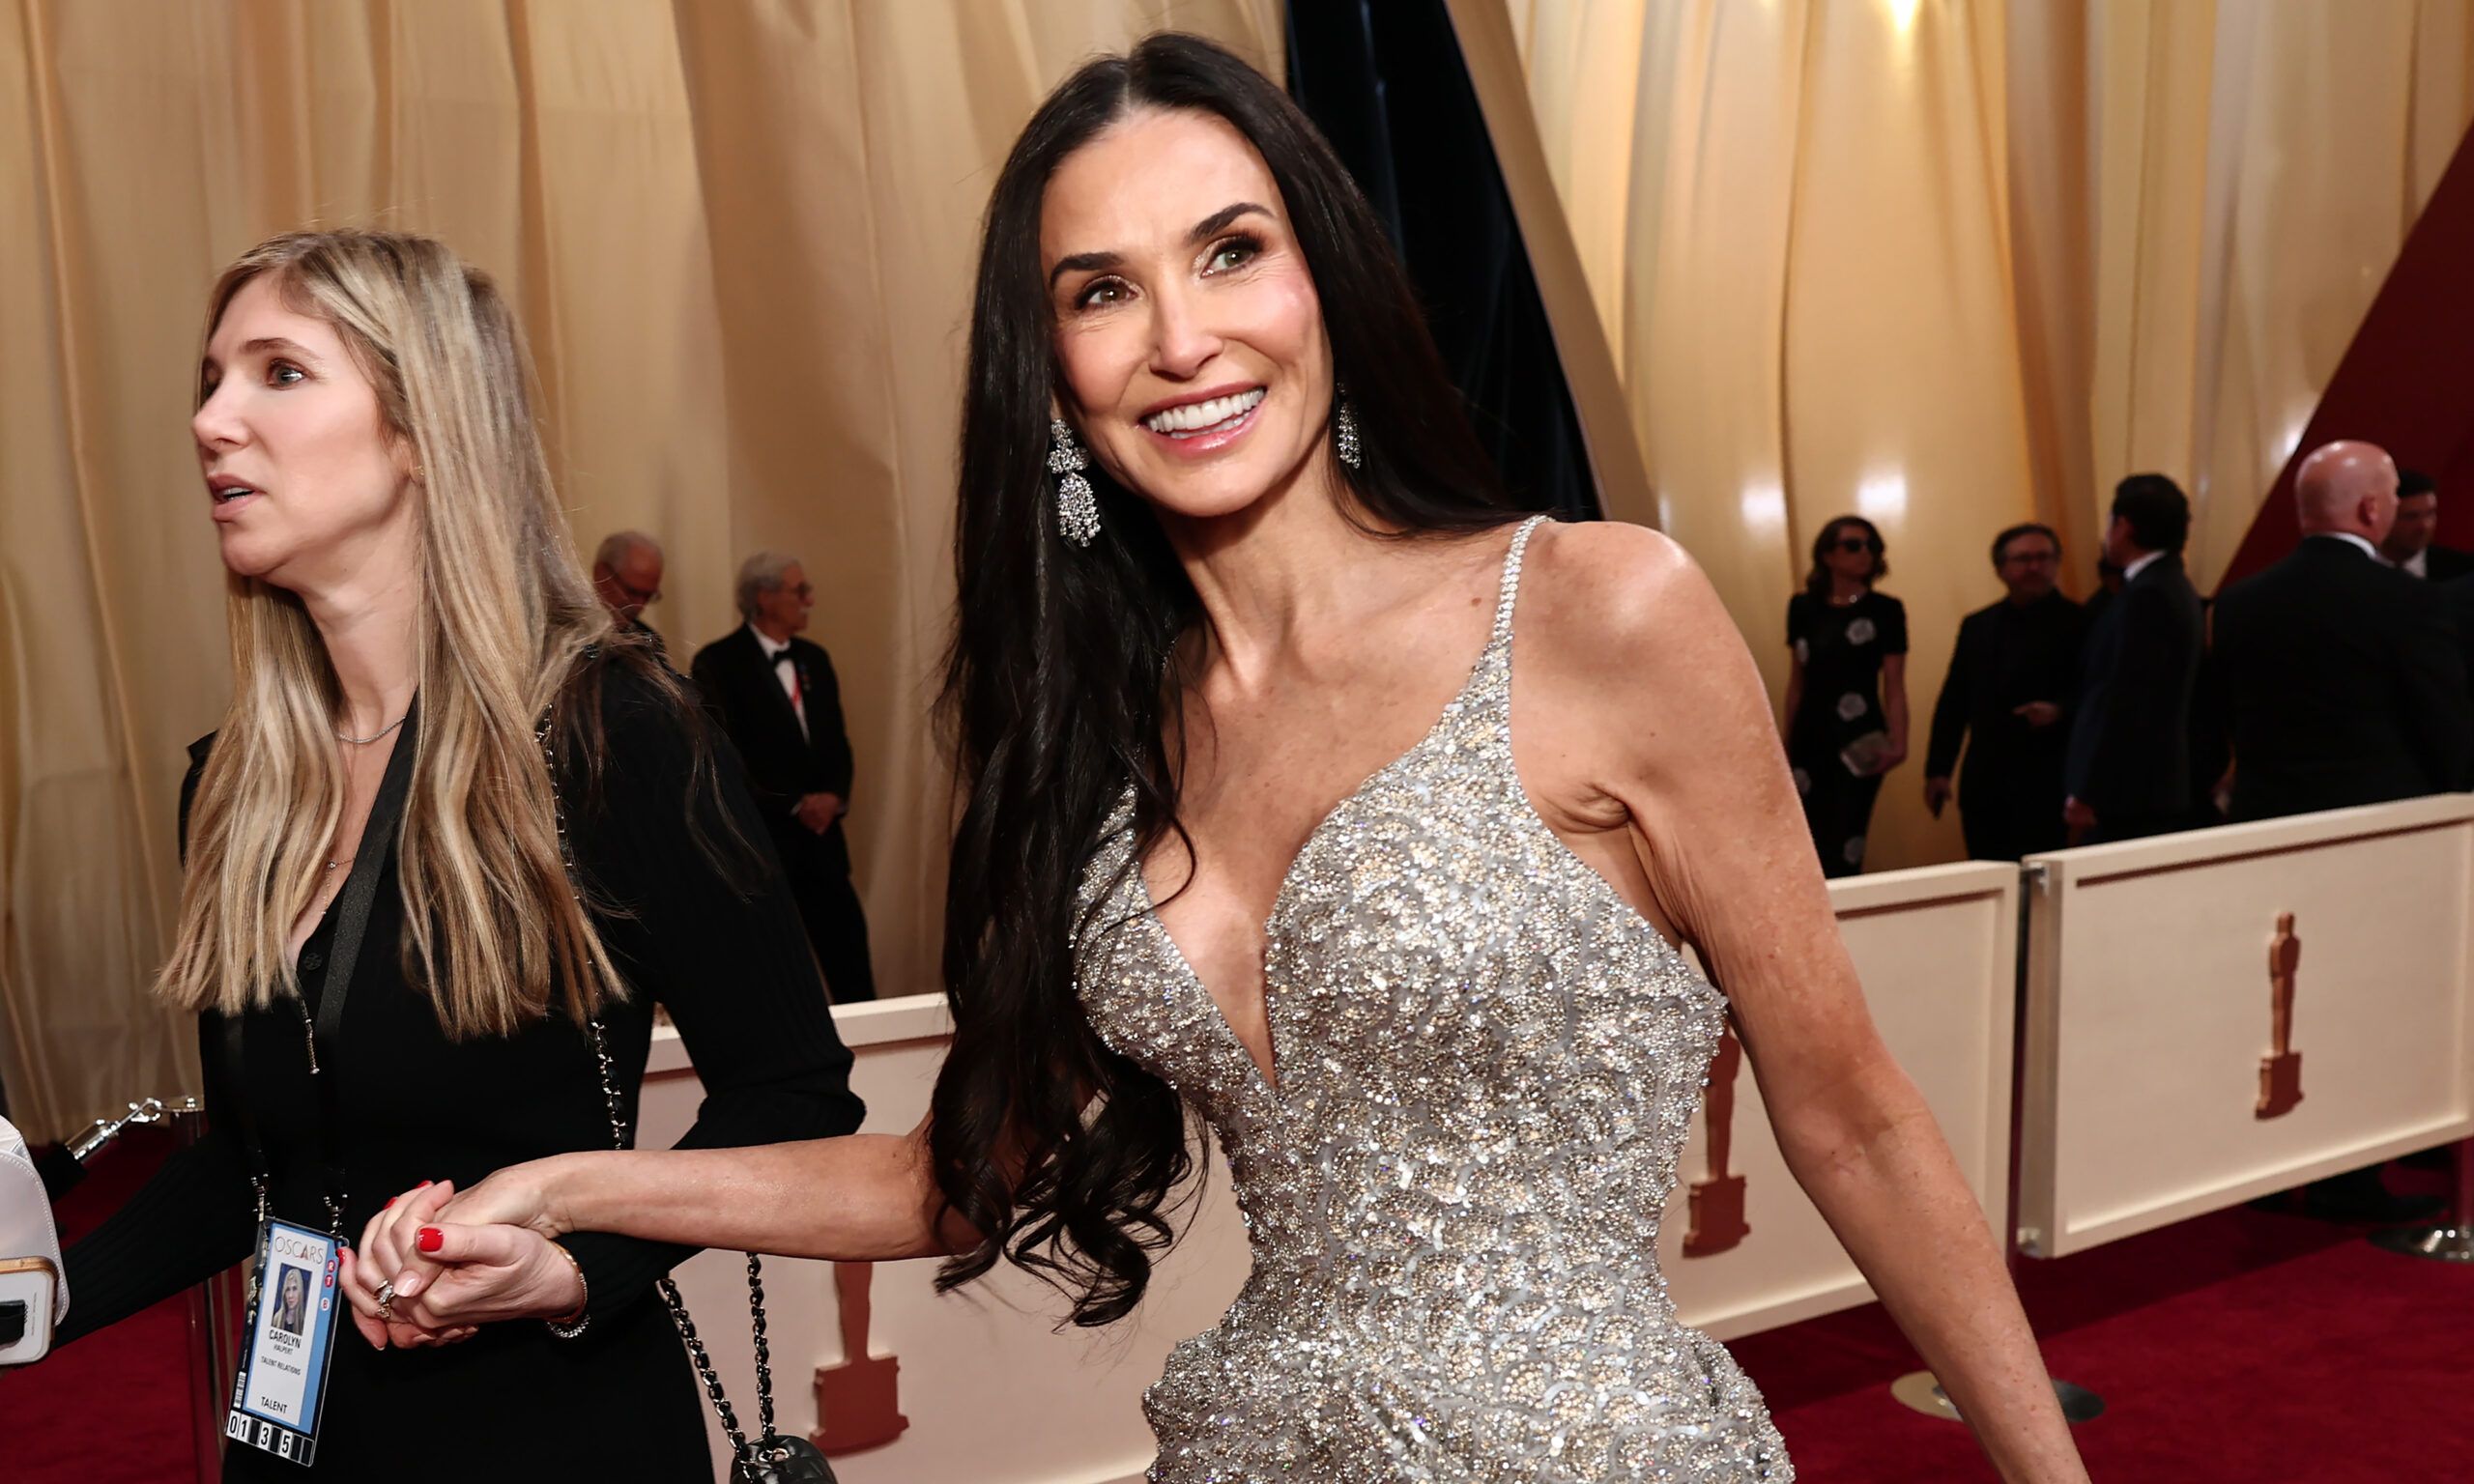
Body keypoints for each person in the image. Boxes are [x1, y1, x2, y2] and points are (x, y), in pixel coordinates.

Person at [375, 36, 2089, 1483]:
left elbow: (1851, 1116)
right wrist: (583, 1189)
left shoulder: (1595, 610)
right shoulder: (1087, 747)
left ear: (1323, 278)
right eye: (1101, 292)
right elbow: (956, 1180)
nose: (1180, 339)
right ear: (1053, 380)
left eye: (1228, 251)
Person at [43, 230, 865, 1480]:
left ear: (422, 429)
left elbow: (792, 1095)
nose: (211, 421)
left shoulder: (613, 740)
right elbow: (257, 1163)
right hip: (299, 1434)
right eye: (210, 379)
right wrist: (42, 1299)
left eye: (278, 373)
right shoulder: (232, 783)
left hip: (552, 1430)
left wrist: (581, 1263)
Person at [2211, 441, 2472, 823]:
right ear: (2371, 508)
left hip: (2266, 821)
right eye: (2393, 496)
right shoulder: (2411, 599)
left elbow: (2230, 716)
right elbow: (2444, 726)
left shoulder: (2236, 601)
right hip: (2378, 824)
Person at [689, 553, 877, 1003]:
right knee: (776, 979)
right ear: (764, 597)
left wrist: (834, 796)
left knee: (851, 962)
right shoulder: (717, 664)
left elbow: (838, 743)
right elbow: (725, 758)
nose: (809, 599)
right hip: (765, 846)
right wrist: (793, 804)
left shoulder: (816, 659)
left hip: (825, 841)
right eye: (799, 590)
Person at [1925, 524, 2086, 861]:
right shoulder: (1978, 626)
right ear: (2000, 568)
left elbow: (2096, 691)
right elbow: (1955, 699)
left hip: (2050, 777)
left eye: (2043, 557)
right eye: (2023, 558)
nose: (2034, 567)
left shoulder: (2081, 622)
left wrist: (2060, 710)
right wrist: (1938, 770)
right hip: (1987, 779)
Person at [2063, 474, 2204, 842]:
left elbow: (2122, 697)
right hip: (2143, 788)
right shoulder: (2168, 585)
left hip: (2128, 793)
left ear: (2122, 526)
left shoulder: (2148, 595)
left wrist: (2088, 787)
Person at [1781, 516, 1910, 876]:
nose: (1864, 553)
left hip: (1860, 736)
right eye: (1853, 545)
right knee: (1809, 838)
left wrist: (1900, 741)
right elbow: (1797, 682)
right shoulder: (1802, 608)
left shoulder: (1886, 610)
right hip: (1810, 735)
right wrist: (1784, 744)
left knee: (1848, 833)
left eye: (1871, 546)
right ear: (1828, 554)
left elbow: (1895, 685)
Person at [2375, 468, 2474, 581]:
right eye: (2411, 516)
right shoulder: (2358, 570)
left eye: (2430, 514)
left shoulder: (2463, 571)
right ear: (2384, 518)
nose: (2424, 526)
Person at [590, 528, 669, 659]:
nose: (640, 605)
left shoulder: (648, 643)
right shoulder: (565, 634)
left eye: (648, 596)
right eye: (632, 592)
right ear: (601, 574)